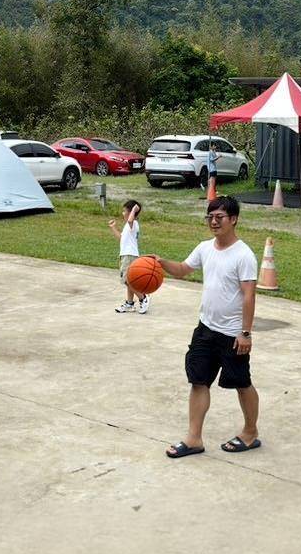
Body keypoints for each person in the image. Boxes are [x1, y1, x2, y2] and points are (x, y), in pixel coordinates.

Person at [158, 194, 260, 459]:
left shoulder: (243, 255)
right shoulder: (205, 248)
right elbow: (182, 269)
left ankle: (250, 432)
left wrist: (245, 332)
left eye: (219, 217)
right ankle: (194, 438)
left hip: (233, 335)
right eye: (210, 217)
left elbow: (249, 295)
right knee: (198, 381)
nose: (213, 222)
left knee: (242, 383)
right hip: (205, 329)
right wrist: (160, 262)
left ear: (233, 219)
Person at [109, 198, 148, 314]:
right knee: (129, 281)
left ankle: (143, 298)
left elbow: (131, 220)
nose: (123, 213)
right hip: (126, 255)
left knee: (127, 281)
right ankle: (129, 303)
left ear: (131, 212)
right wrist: (113, 228)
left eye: (125, 211)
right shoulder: (128, 226)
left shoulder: (133, 223)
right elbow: (121, 238)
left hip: (129, 256)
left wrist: (134, 210)